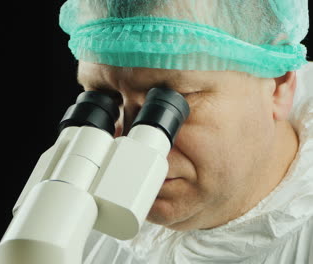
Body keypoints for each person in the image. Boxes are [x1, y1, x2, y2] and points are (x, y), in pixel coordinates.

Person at [58, 0, 312, 263]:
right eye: (104, 98)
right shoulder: (78, 225)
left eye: (175, 99)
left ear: (278, 84)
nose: (128, 141)